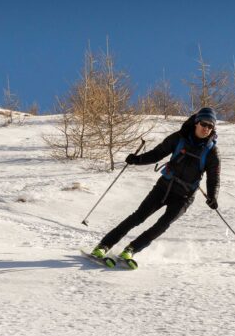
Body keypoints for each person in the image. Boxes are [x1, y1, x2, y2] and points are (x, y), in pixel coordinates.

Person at [91, 107, 221, 262]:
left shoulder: (212, 152)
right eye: (203, 124)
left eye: (210, 126)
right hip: (164, 186)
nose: (206, 128)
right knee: (138, 217)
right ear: (196, 123)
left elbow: (213, 178)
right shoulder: (179, 138)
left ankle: (131, 250)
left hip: (184, 196)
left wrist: (213, 196)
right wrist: (137, 160)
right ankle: (103, 246)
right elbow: (157, 153)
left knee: (162, 225)